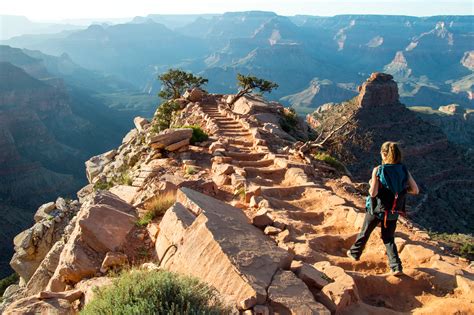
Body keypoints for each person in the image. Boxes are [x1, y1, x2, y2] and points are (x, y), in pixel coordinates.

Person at [347, 141, 419, 276]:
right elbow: (415, 190)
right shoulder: (404, 169)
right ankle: (396, 267)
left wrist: (371, 182)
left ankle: (354, 253)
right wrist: (399, 191)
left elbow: (373, 193)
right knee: (388, 238)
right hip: (393, 211)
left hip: (376, 209)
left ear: (384, 154)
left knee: (365, 232)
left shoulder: (379, 170)